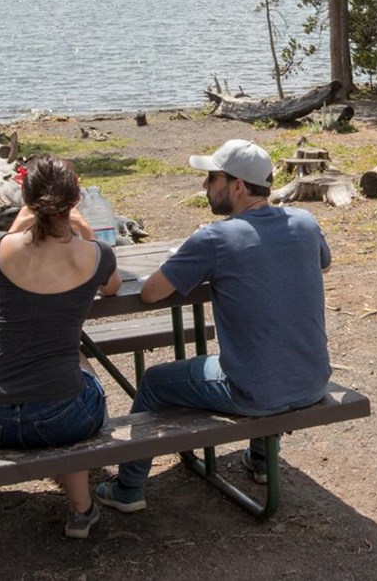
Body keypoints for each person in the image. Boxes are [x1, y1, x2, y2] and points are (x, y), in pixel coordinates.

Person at [93, 139, 331, 513]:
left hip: (255, 392)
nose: (205, 187)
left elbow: (152, 293)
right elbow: (323, 261)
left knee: (155, 382)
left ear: (236, 186)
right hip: (313, 379)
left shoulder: (215, 238)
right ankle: (261, 461)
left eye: (211, 178)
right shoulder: (305, 222)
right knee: (260, 349)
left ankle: (129, 487)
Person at [0, 155, 122, 540]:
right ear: (75, 199)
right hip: (61, 418)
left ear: (27, 199)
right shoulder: (95, 255)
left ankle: (83, 509)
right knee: (76, 369)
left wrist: (25, 216)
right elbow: (114, 287)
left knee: (63, 370)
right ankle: (81, 509)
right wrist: (81, 225)